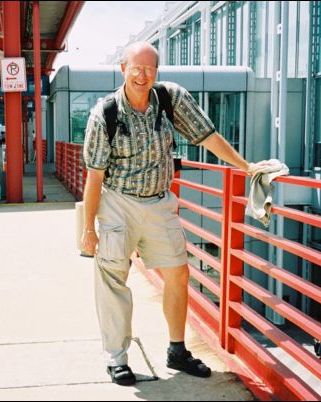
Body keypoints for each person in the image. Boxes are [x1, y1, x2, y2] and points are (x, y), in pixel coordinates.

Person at [81, 42, 264, 386]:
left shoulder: (171, 99)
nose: (142, 75)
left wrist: (245, 167)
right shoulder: (104, 114)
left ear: (157, 72)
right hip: (119, 202)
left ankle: (177, 350)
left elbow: (208, 136)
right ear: (123, 69)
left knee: (178, 273)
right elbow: (94, 176)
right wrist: (88, 228)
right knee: (113, 279)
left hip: (160, 201)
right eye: (136, 68)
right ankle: (117, 358)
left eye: (150, 68)